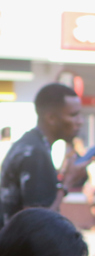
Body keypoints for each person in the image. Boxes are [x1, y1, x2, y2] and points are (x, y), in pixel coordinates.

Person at [0, 83, 86, 226]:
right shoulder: (36, 153)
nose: (80, 121)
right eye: (73, 115)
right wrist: (66, 184)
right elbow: (38, 226)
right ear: (51, 118)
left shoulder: (30, 145)